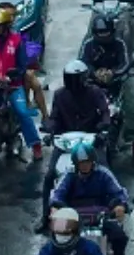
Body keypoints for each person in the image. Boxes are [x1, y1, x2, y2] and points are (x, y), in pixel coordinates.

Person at [48, 138, 132, 255]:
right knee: (56, 241)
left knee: (120, 237)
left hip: (100, 216)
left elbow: (119, 192)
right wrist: (55, 207)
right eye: (81, 163)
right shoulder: (69, 176)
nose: (84, 166)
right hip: (74, 217)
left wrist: (120, 206)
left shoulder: (104, 174)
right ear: (76, 164)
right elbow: (57, 194)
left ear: (93, 161)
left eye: (87, 162)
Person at [42, 61, 116, 207]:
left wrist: (102, 129)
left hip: (91, 140)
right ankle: (45, 215)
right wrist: (50, 130)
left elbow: (105, 113)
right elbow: (54, 117)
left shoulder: (95, 92)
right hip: (66, 142)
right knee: (50, 175)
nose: (74, 83)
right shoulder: (59, 95)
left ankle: (111, 210)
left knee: (105, 171)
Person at [80, 11, 134, 158]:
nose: (104, 37)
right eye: (100, 34)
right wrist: (95, 74)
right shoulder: (88, 45)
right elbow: (82, 63)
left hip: (116, 84)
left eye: (106, 33)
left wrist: (112, 73)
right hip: (93, 85)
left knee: (130, 108)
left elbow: (125, 63)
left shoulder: (119, 44)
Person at [0, 4, 44, 160]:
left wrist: (11, 77)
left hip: (13, 86)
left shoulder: (17, 40)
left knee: (22, 112)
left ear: (6, 25)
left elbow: (22, 65)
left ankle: (36, 144)